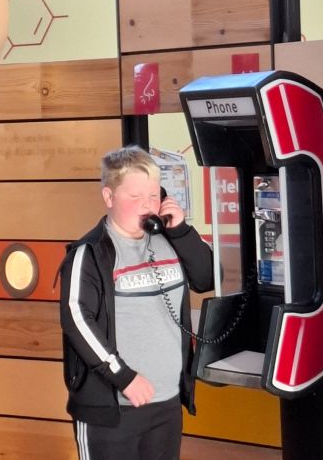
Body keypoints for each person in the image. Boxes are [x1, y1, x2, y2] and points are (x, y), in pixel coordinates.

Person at [60, 145, 214, 460]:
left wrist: (181, 230)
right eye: (135, 196)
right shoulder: (90, 253)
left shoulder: (170, 240)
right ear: (109, 197)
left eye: (154, 196)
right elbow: (76, 318)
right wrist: (123, 376)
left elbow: (206, 278)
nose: (147, 205)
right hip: (113, 409)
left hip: (166, 403)